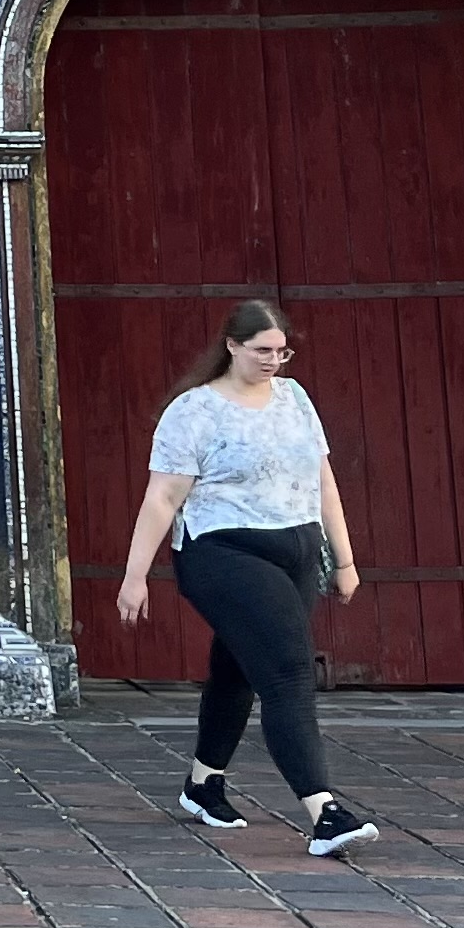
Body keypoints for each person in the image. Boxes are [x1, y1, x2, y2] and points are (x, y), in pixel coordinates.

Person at [114, 298, 380, 858]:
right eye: (262, 350)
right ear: (232, 346)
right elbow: (162, 497)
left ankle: (203, 785)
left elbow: (322, 479)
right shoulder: (194, 411)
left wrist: (347, 559)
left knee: (237, 668)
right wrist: (135, 576)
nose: (273, 360)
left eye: (282, 351)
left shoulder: (295, 398)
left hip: (298, 549)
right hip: (223, 552)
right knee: (286, 672)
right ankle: (324, 811)